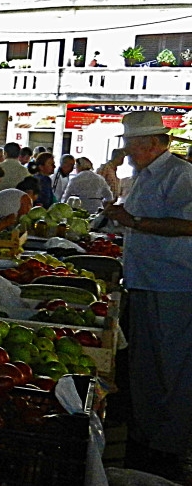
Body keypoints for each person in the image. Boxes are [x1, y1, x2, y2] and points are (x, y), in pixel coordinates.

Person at [101, 110, 192, 483]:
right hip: (143, 279)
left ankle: (170, 443)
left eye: (131, 145)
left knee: (174, 365)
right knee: (146, 365)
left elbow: (188, 224)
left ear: (152, 144)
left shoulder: (181, 175)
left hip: (174, 282)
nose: (128, 152)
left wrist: (134, 223)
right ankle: (147, 435)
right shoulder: (141, 176)